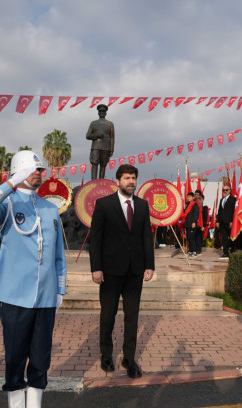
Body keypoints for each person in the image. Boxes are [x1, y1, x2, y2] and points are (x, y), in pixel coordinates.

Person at [0, 150, 66, 408]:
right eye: (34, 169)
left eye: (41, 169)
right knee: (15, 354)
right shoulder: (7, 204)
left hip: (45, 296)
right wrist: (11, 184)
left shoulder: (50, 209)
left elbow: (58, 254)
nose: (40, 173)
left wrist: (60, 288)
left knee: (41, 355)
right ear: (18, 171)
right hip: (15, 295)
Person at [89, 164, 155, 379]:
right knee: (108, 315)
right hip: (109, 271)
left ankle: (129, 358)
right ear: (117, 181)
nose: (131, 182)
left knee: (132, 317)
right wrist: (96, 268)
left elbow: (146, 237)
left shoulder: (143, 206)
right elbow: (95, 238)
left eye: (134, 178)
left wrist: (149, 265)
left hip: (134, 272)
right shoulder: (104, 204)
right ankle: (106, 355)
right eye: (127, 178)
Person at [86, 104, 115, 180]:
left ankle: (101, 182)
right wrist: (97, 135)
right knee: (94, 163)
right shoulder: (93, 123)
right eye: (100, 111)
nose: (102, 112)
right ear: (98, 113)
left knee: (103, 165)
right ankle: (93, 181)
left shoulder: (110, 124)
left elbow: (112, 138)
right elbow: (88, 136)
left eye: (103, 111)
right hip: (95, 147)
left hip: (106, 147)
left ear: (106, 113)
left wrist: (111, 150)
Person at [216, 184, 236, 259]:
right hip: (222, 222)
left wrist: (232, 221)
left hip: (230, 222)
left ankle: (232, 251)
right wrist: (218, 221)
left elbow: (234, 211)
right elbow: (220, 211)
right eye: (223, 190)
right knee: (224, 238)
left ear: (230, 190)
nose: (225, 191)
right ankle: (225, 252)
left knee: (232, 237)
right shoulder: (222, 200)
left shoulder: (233, 199)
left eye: (226, 190)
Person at [181, 192, 201, 257]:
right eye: (188, 197)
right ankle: (190, 251)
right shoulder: (187, 205)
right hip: (187, 224)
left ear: (193, 198)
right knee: (188, 237)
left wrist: (194, 222)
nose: (188, 198)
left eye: (190, 197)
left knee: (192, 238)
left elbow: (196, 214)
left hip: (192, 224)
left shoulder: (195, 205)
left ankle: (194, 252)